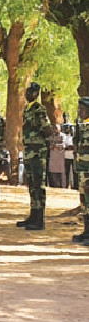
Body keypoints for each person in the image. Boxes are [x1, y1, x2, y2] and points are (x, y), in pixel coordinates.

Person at [16, 82, 52, 230]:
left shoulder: (39, 109)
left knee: (39, 185)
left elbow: (48, 130)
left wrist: (37, 138)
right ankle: (33, 215)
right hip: (29, 151)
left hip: (38, 152)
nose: (27, 93)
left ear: (36, 93)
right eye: (27, 91)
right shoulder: (27, 109)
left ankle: (40, 219)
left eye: (31, 91)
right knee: (31, 185)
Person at [73, 97, 89, 243]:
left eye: (82, 110)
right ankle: (86, 231)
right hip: (82, 170)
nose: (80, 112)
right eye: (78, 110)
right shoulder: (81, 125)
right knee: (84, 201)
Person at [62, 124, 75, 188]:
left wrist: (70, 147)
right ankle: (66, 185)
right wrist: (68, 147)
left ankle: (75, 186)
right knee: (66, 172)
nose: (67, 129)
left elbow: (74, 146)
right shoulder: (63, 136)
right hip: (66, 157)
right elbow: (63, 147)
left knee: (74, 172)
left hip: (73, 157)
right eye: (66, 128)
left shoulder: (73, 137)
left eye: (68, 128)